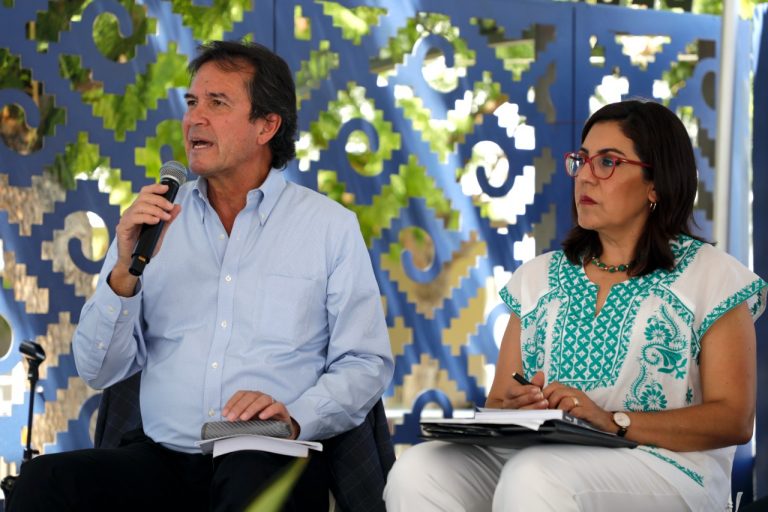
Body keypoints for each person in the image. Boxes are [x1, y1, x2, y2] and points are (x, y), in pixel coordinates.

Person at [7, 40, 393, 512]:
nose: (194, 119)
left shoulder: (328, 227)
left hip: (271, 456)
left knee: (251, 482)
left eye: (217, 103)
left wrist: (295, 417)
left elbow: (365, 363)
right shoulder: (152, 223)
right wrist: (124, 274)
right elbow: (97, 369)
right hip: (160, 459)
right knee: (43, 482)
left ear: (266, 126)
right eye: (192, 103)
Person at [384, 99, 767, 511]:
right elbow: (498, 401)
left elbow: (733, 420)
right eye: (581, 161)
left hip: (666, 467)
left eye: (607, 162)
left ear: (656, 183)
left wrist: (613, 421)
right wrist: (514, 406)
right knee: (420, 468)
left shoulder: (712, 276)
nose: (585, 176)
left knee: (536, 476)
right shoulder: (537, 278)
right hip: (538, 455)